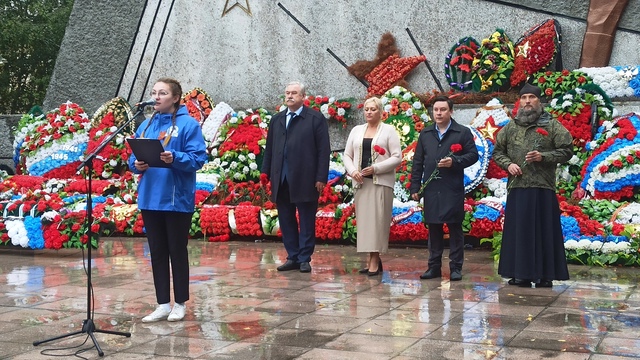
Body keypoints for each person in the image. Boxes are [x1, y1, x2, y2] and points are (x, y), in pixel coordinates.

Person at [128, 77, 207, 322]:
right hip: (150, 197)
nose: (156, 97)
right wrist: (137, 164)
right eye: (154, 93)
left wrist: (175, 158)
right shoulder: (146, 125)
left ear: (175, 98)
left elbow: (198, 159)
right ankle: (162, 303)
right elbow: (132, 159)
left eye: (162, 93)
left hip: (175, 198)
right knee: (158, 252)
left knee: (176, 250)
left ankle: (180, 303)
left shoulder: (188, 125)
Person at [493, 83, 573, 288]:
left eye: (532, 97)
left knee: (543, 231)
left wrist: (543, 156)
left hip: (542, 187)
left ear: (539, 101)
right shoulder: (511, 127)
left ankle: (545, 275)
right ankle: (519, 273)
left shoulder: (552, 125)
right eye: (524, 97)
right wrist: (508, 164)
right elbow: (497, 152)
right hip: (518, 187)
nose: (527, 101)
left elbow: (566, 151)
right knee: (519, 232)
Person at [261, 81, 330, 273]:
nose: (290, 96)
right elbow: (270, 149)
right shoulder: (277, 119)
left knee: (307, 219)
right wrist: (265, 172)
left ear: (303, 97)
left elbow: (323, 150)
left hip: (305, 178)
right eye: (287, 93)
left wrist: (321, 177)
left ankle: (304, 258)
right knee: (286, 218)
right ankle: (292, 255)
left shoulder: (314, 119)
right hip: (281, 178)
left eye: (294, 93)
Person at [410, 95, 478, 281]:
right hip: (432, 188)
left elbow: (473, 155)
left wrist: (455, 161)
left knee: (455, 228)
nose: (439, 113)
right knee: (434, 228)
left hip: (451, 187)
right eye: (436, 110)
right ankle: (434, 267)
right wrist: (415, 186)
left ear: (451, 111)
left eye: (443, 110)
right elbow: (418, 162)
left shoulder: (461, 132)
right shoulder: (426, 133)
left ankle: (456, 267)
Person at [343, 97, 402, 276]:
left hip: (380, 182)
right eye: (367, 109)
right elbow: (347, 155)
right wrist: (353, 171)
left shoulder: (389, 131)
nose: (369, 112)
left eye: (373, 109)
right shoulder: (356, 130)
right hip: (361, 183)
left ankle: (375, 260)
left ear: (380, 111)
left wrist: (376, 168)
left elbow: (397, 157)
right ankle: (370, 258)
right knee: (365, 223)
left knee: (377, 222)